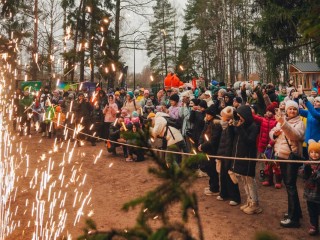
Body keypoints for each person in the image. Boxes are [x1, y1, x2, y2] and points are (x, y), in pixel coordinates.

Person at [269, 100, 305, 227]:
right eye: (290, 109)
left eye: (294, 109)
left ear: (297, 111)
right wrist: (274, 134)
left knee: (290, 186)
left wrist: (283, 124)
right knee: (289, 185)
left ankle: (293, 219)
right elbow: (272, 131)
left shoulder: (299, 123)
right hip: (282, 156)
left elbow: (295, 135)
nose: (292, 111)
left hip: (291, 157)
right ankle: (296, 211)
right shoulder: (284, 120)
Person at [230, 105, 261, 214]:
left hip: (248, 157)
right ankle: (249, 200)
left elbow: (249, 141)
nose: (239, 118)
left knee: (250, 180)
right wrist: (234, 127)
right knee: (244, 179)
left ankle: (255, 203)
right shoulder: (241, 125)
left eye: (240, 116)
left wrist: (240, 128)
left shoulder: (253, 126)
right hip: (240, 156)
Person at [216, 106, 241, 206]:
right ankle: (224, 193)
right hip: (223, 153)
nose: (221, 117)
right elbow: (222, 142)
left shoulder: (231, 128)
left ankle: (235, 197)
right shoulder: (224, 127)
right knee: (222, 175)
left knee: (230, 176)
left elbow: (231, 143)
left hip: (229, 154)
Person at [198, 104, 222, 196]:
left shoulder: (216, 124)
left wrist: (203, 146)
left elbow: (214, 139)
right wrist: (200, 143)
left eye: (208, 114)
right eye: (206, 114)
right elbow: (202, 134)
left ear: (212, 115)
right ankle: (212, 185)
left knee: (212, 169)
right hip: (206, 149)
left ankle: (214, 188)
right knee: (208, 168)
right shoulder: (207, 123)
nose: (206, 116)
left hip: (212, 150)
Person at [303, 140, 320, 236]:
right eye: (312, 152)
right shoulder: (307, 163)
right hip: (309, 193)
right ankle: (314, 225)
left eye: (317, 152)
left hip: (318, 192)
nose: (314, 155)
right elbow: (302, 176)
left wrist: (315, 173)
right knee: (311, 211)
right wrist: (306, 170)